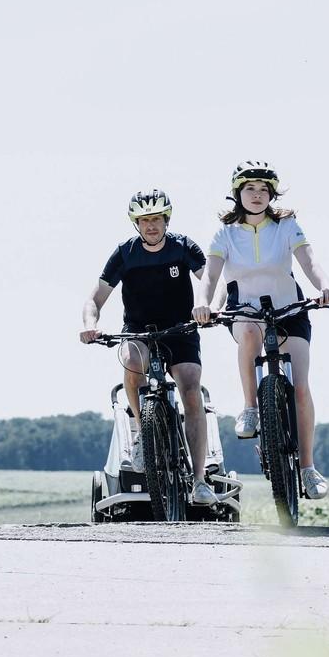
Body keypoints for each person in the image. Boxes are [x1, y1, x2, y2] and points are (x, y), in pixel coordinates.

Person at [201, 159, 329, 499]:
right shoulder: (225, 233)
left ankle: (307, 468)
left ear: (272, 195)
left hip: (288, 309)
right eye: (250, 188)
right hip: (244, 309)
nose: (257, 195)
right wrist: (203, 303)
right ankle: (250, 407)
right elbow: (211, 274)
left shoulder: (287, 225)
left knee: (301, 388)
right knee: (249, 334)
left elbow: (309, 261)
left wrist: (325, 286)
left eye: (264, 190)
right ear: (238, 193)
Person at [80, 189, 218, 508]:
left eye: (156, 219)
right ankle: (145, 432)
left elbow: (209, 278)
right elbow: (95, 298)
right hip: (139, 331)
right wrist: (90, 323)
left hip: (181, 330)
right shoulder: (125, 254)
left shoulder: (182, 247)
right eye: (144, 221)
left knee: (190, 386)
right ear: (136, 224)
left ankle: (199, 480)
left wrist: (208, 306)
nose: (151, 226)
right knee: (130, 362)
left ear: (166, 220)